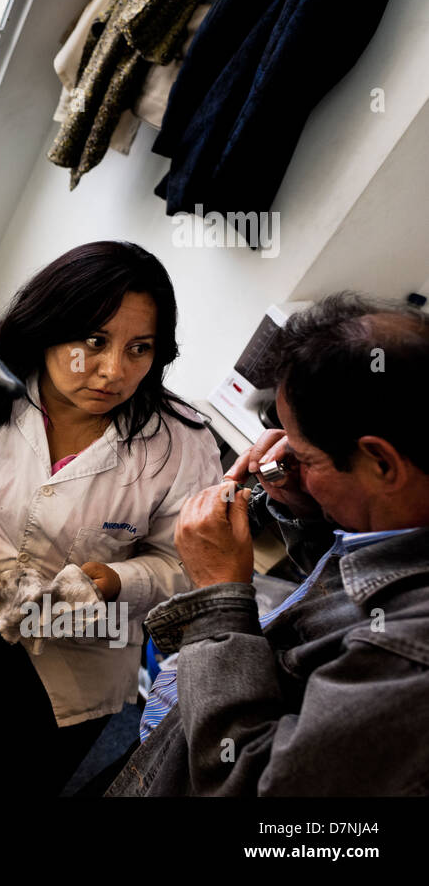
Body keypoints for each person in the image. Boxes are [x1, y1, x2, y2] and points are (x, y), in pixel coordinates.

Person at [0, 240, 222, 795]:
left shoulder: (182, 444)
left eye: (140, 349)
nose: (113, 371)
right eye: (94, 341)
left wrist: (121, 579)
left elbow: (189, 565)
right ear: (48, 325)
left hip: (69, 658)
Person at [107, 293, 429, 795]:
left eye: (305, 455)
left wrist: (218, 597)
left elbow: (251, 784)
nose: (287, 461)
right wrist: (309, 507)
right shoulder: (404, 521)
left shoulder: (410, 658)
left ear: (381, 463)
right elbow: (340, 597)